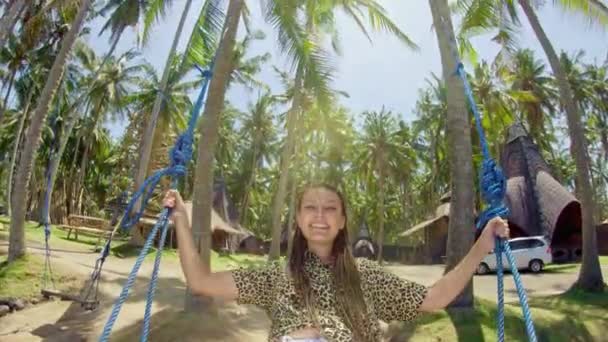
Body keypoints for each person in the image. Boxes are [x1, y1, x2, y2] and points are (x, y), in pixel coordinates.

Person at [163, 183, 509, 342]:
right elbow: (200, 281)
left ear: (342, 221)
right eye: (310, 208)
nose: (319, 216)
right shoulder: (274, 277)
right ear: (298, 219)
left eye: (330, 208)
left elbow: (434, 298)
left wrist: (481, 246)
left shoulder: (368, 276)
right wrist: (180, 219)